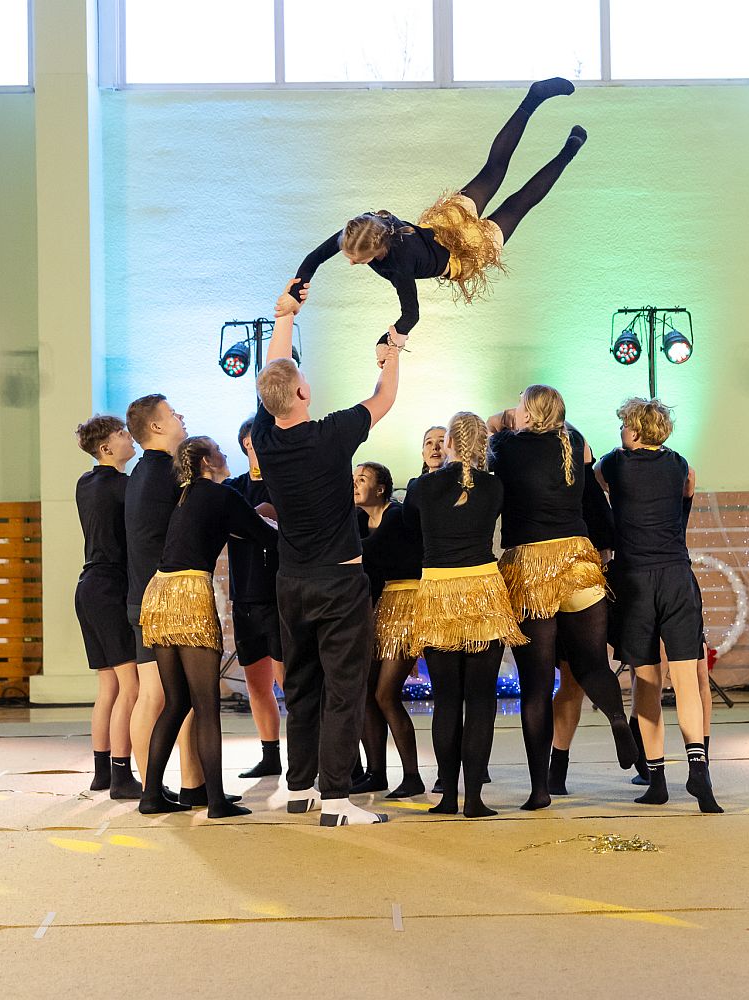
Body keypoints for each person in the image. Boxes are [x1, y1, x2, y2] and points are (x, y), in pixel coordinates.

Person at [251, 280, 401, 827]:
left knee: (303, 685)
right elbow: (385, 399)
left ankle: (300, 786)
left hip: (291, 582)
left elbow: (273, 374)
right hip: (339, 583)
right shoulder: (333, 434)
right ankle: (336, 799)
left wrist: (285, 315)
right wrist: (392, 356)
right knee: (344, 687)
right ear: (303, 395)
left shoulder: (264, 438)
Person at [288, 78, 586, 349]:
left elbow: (411, 314)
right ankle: (533, 100)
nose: (352, 262)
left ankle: (569, 150)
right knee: (494, 169)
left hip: (464, 253)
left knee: (518, 204)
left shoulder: (398, 264)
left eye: (357, 259)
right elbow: (315, 257)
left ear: (378, 249)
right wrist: (297, 289)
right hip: (445, 224)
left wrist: (388, 339)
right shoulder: (363, 228)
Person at [489, 385, 636, 810]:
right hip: (576, 559)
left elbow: (491, 424)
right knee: (591, 661)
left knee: (536, 685)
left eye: (521, 406)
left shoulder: (506, 448)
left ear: (529, 415)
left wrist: (507, 418)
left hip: (529, 565)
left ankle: (539, 789)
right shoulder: (572, 442)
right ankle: (615, 717)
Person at [137, 436, 277, 818]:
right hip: (189, 592)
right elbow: (265, 537)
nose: (226, 455)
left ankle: (150, 795)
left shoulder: (185, 495)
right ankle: (215, 801)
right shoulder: (223, 496)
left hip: (158, 592)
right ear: (205, 461)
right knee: (205, 703)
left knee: (176, 701)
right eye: (219, 451)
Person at [596, 398, 720, 812]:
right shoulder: (680, 464)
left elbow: (594, 482)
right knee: (686, 679)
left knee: (645, 683)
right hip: (677, 577)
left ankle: (657, 779)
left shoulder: (615, 463)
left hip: (635, 581)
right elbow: (688, 489)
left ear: (633, 430)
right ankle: (699, 769)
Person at [407, 412, 527, 817]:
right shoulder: (494, 486)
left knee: (445, 701)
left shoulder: (422, 486)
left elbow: (410, 533)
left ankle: (446, 797)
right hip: (483, 589)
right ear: (483, 445)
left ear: (450, 445)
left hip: (439, 590)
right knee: (480, 701)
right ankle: (474, 798)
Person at [124, 394, 206, 804]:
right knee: (162, 696)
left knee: (160, 695)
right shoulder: (167, 473)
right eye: (173, 414)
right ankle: (158, 789)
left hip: (141, 596)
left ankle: (170, 785)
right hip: (161, 599)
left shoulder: (142, 472)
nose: (181, 416)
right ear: (156, 427)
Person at [73, 414, 142, 799]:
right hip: (111, 587)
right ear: (105, 449)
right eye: (121, 434)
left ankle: (102, 771)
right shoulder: (123, 486)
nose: (128, 437)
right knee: (130, 685)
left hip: (88, 586)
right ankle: (121, 776)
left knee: (108, 686)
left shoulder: (86, 482)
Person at [353, 461, 425, 798]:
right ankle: (376, 772)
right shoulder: (361, 521)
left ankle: (412, 775)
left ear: (381, 489)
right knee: (368, 690)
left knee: (385, 693)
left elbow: (373, 551)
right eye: (353, 478)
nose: (355, 484)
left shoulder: (395, 515)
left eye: (362, 479)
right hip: (385, 606)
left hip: (409, 601)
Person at [225, 417, 285, 779]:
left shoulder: (285, 484)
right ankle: (270, 754)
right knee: (256, 683)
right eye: (254, 441)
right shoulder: (234, 488)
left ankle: (313, 753)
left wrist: (263, 516)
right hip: (245, 595)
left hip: (279, 594)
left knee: (288, 680)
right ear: (246, 444)